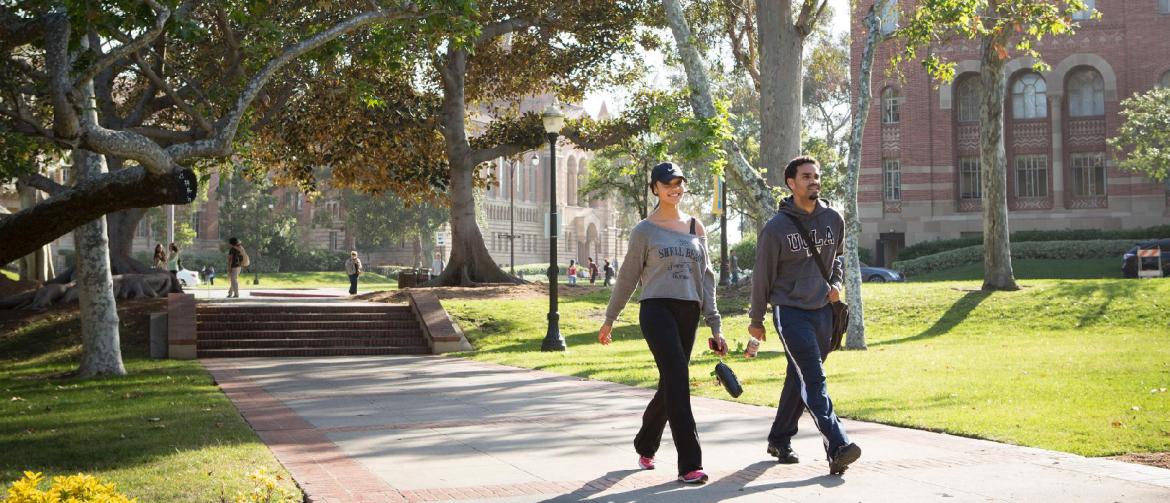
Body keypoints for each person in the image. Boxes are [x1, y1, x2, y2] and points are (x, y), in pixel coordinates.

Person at [599, 161, 724, 485]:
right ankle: (689, 465)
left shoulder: (697, 227)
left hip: (689, 312)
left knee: (671, 383)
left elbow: (706, 278)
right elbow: (627, 277)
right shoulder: (644, 230)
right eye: (668, 183)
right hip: (656, 310)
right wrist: (609, 319)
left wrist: (715, 323)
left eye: (679, 182)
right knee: (678, 380)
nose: (675, 188)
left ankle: (645, 442)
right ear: (655, 187)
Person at [748, 156, 861, 475]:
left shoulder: (833, 218)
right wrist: (756, 322)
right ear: (791, 183)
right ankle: (837, 444)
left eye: (816, 176)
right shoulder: (776, 229)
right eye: (806, 176)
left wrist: (836, 284)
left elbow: (836, 259)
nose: (814, 180)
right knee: (813, 377)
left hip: (824, 312)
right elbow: (762, 278)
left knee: (799, 376)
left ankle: (779, 438)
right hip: (790, 312)